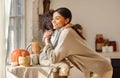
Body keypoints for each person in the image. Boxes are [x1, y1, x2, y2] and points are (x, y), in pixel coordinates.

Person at [42, 7, 113, 78]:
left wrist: (46, 40)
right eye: (52, 19)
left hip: (99, 69)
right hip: (97, 69)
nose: (53, 21)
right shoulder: (65, 31)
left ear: (66, 20)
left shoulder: (66, 32)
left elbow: (54, 58)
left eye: (57, 18)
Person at [40, 9, 71, 78]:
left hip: (51, 57)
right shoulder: (52, 32)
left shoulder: (56, 31)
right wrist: (65, 27)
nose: (54, 21)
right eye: (53, 19)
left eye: (56, 19)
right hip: (45, 59)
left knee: (66, 64)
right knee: (65, 66)